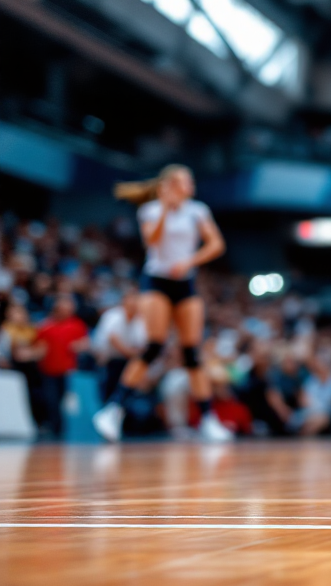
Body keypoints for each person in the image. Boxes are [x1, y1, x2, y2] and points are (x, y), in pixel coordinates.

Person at [93, 165, 232, 442]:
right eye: (184, 180)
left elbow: (216, 244)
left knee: (192, 353)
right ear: (169, 185)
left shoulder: (198, 210)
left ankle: (207, 419)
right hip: (156, 280)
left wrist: (190, 261)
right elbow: (151, 241)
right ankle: (113, 410)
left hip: (185, 281)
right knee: (154, 346)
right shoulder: (152, 210)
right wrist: (167, 210)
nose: (190, 184)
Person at [32, 294, 90, 436]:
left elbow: (86, 343)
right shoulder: (45, 326)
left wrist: (79, 346)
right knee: (52, 400)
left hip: (69, 371)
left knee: (69, 402)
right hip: (49, 370)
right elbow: (39, 347)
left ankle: (69, 428)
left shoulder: (77, 324)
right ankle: (55, 428)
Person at [92, 289, 147, 400]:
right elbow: (113, 339)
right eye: (132, 299)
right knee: (108, 393)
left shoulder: (140, 320)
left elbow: (143, 344)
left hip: (128, 362)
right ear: (124, 301)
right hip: (108, 361)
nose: (134, 303)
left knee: (128, 395)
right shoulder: (113, 315)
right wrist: (133, 354)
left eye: (137, 300)